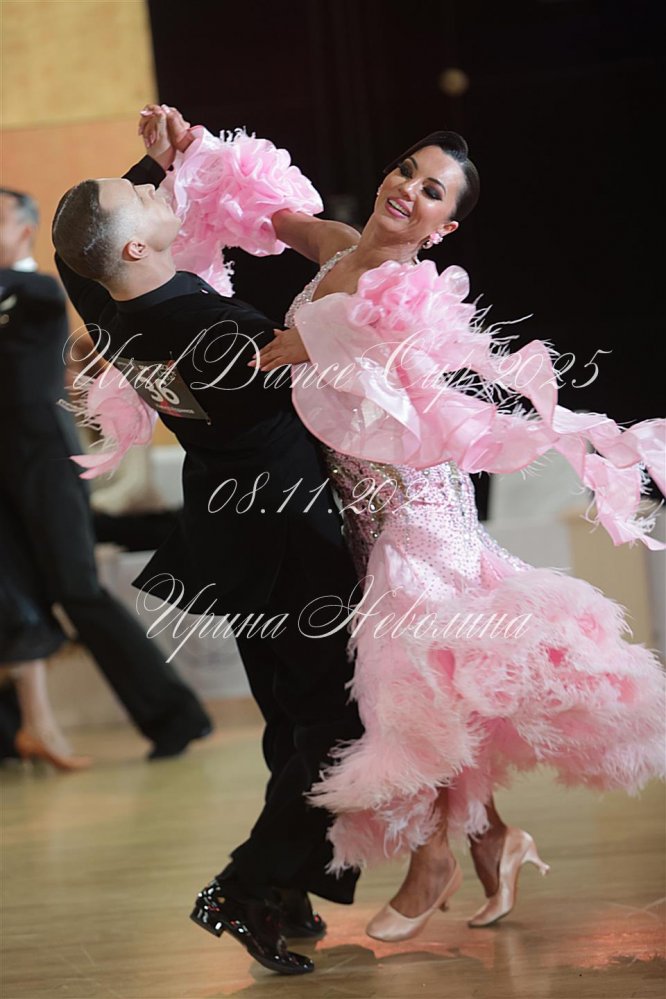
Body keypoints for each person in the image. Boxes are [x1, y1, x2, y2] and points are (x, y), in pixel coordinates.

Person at [157, 116, 664, 941]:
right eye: (406, 170)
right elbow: (273, 213)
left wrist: (298, 343)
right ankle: (493, 838)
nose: (408, 189)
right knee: (436, 682)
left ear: (443, 227)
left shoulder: (407, 290)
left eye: (432, 191)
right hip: (356, 509)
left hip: (414, 508)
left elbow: (349, 354)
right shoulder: (338, 250)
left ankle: (434, 858)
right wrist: (190, 151)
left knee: (410, 685)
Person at [51, 106, 364, 976]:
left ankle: (287, 887)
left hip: (229, 532)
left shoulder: (110, 305)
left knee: (289, 715)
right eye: (144, 200)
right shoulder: (211, 332)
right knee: (338, 718)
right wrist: (362, 250)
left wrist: (157, 163)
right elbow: (339, 308)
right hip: (288, 532)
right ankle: (247, 885)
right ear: (136, 248)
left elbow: (81, 247)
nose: (163, 197)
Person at [0, 186, 211, 765]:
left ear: (24, 231)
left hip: (43, 461)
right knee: (15, 593)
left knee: (77, 590)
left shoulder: (37, 291)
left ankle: (176, 715)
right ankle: (20, 730)